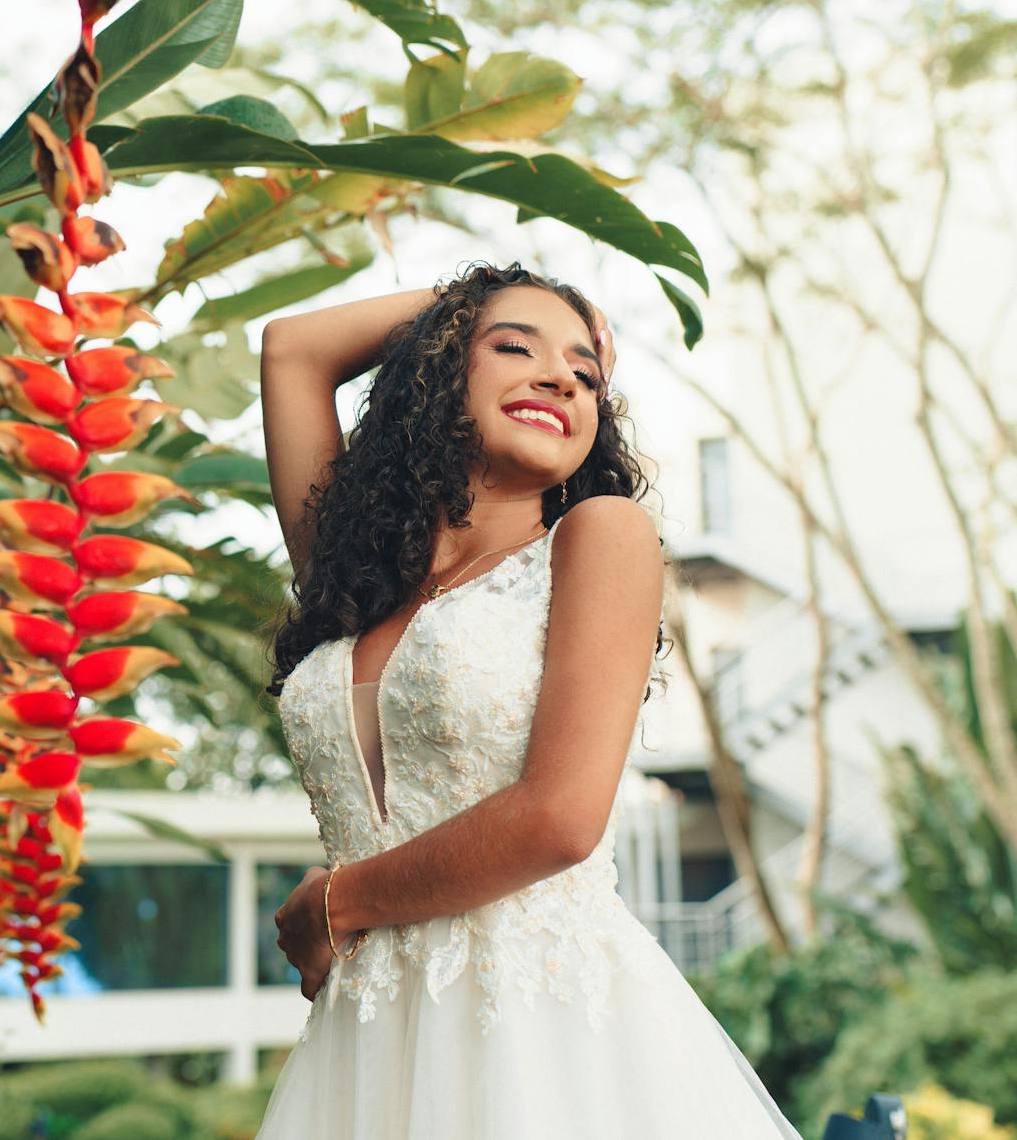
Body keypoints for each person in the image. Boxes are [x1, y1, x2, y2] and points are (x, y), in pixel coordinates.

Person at [253, 262, 804, 1138]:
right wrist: (492, 300)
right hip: (364, 1049)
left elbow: (560, 817)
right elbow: (293, 348)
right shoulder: (352, 574)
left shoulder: (602, 534)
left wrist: (337, 902)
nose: (560, 377)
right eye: (514, 349)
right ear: (437, 370)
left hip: (548, 1041)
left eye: (587, 373)